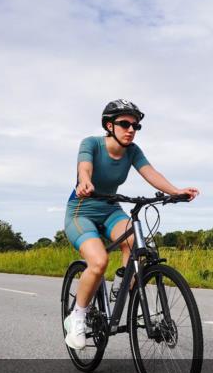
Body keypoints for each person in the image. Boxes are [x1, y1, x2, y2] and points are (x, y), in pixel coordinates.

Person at [63, 99, 199, 349]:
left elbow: (151, 174)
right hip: (81, 211)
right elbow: (84, 168)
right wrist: (84, 181)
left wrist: (176, 191)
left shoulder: (133, 151)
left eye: (135, 126)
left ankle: (120, 285)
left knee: (138, 244)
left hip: (111, 209)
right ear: (108, 125)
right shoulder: (91, 144)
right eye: (124, 124)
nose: (131, 129)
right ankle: (77, 317)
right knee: (99, 261)